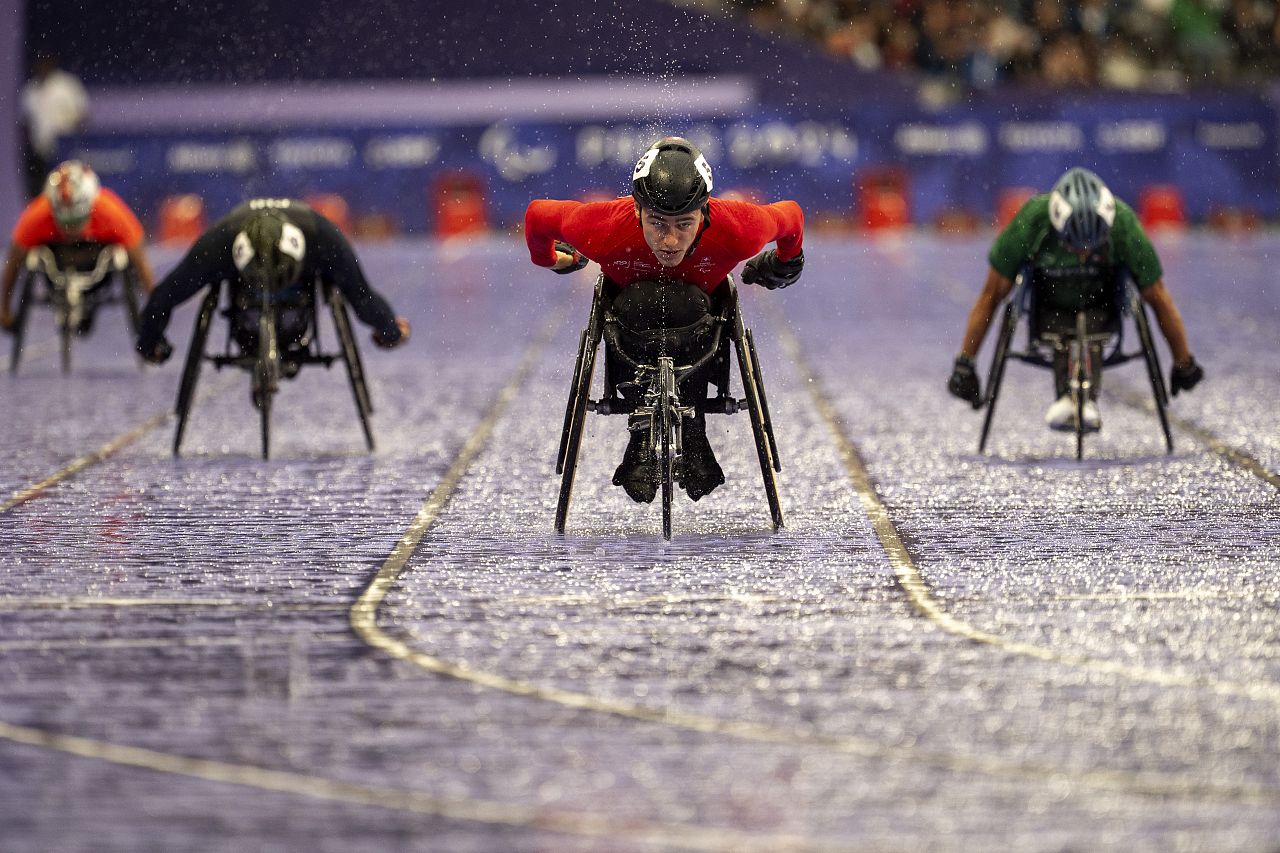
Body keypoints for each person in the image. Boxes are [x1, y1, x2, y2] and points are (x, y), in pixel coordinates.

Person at [525, 136, 804, 503]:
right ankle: (643, 432)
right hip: (629, 321)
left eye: (684, 224)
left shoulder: (738, 228)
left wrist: (785, 263)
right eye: (657, 222)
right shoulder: (604, 225)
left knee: (688, 302)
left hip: (703, 321)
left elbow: (792, 217)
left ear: (704, 214)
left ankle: (692, 429)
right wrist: (553, 260)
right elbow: (536, 216)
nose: (670, 240)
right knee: (643, 299)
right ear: (637, 211)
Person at [947, 166, 1204, 431]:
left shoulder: (1124, 225)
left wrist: (1183, 362)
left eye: (1091, 246)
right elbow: (991, 296)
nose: (1082, 254)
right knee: (1039, 312)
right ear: (1056, 224)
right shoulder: (1032, 221)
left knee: (1103, 316)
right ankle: (1069, 397)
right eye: (1073, 244)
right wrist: (965, 362)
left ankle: (1081, 399)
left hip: (1103, 307)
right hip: (1047, 309)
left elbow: (1158, 298)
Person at [135, 198, 410, 374]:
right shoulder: (219, 244)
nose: (270, 286)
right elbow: (167, 294)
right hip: (243, 288)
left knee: (356, 291)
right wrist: (150, 342)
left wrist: (389, 328)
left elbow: (362, 297)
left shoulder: (323, 238)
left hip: (306, 257)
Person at [0, 160, 155, 334]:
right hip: (58, 268)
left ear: (91, 206)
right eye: (65, 223)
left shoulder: (110, 210)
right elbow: (13, 262)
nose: (71, 231)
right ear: (53, 208)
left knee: (129, 260)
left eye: (76, 221)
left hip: (99, 271)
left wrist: (155, 311)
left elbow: (140, 259)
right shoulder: (38, 214)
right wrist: (4, 310)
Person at [21, 53, 89, 199]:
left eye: (45, 62)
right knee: (39, 197)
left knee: (68, 195)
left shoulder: (67, 86)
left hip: (66, 152)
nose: (42, 67)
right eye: (39, 63)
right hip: (40, 153)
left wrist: (74, 142)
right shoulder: (30, 91)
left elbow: (82, 117)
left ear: (51, 63)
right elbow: (26, 125)